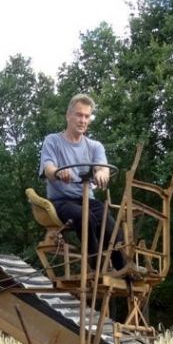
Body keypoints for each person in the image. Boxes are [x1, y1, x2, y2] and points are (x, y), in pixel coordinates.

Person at [39, 93, 124, 271]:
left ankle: (123, 268)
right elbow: (48, 168)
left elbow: (103, 167)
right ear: (68, 115)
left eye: (86, 116)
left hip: (87, 199)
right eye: (79, 115)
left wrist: (101, 173)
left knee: (108, 223)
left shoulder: (95, 146)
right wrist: (58, 172)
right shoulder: (53, 141)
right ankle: (96, 263)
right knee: (84, 217)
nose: (83, 120)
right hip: (61, 201)